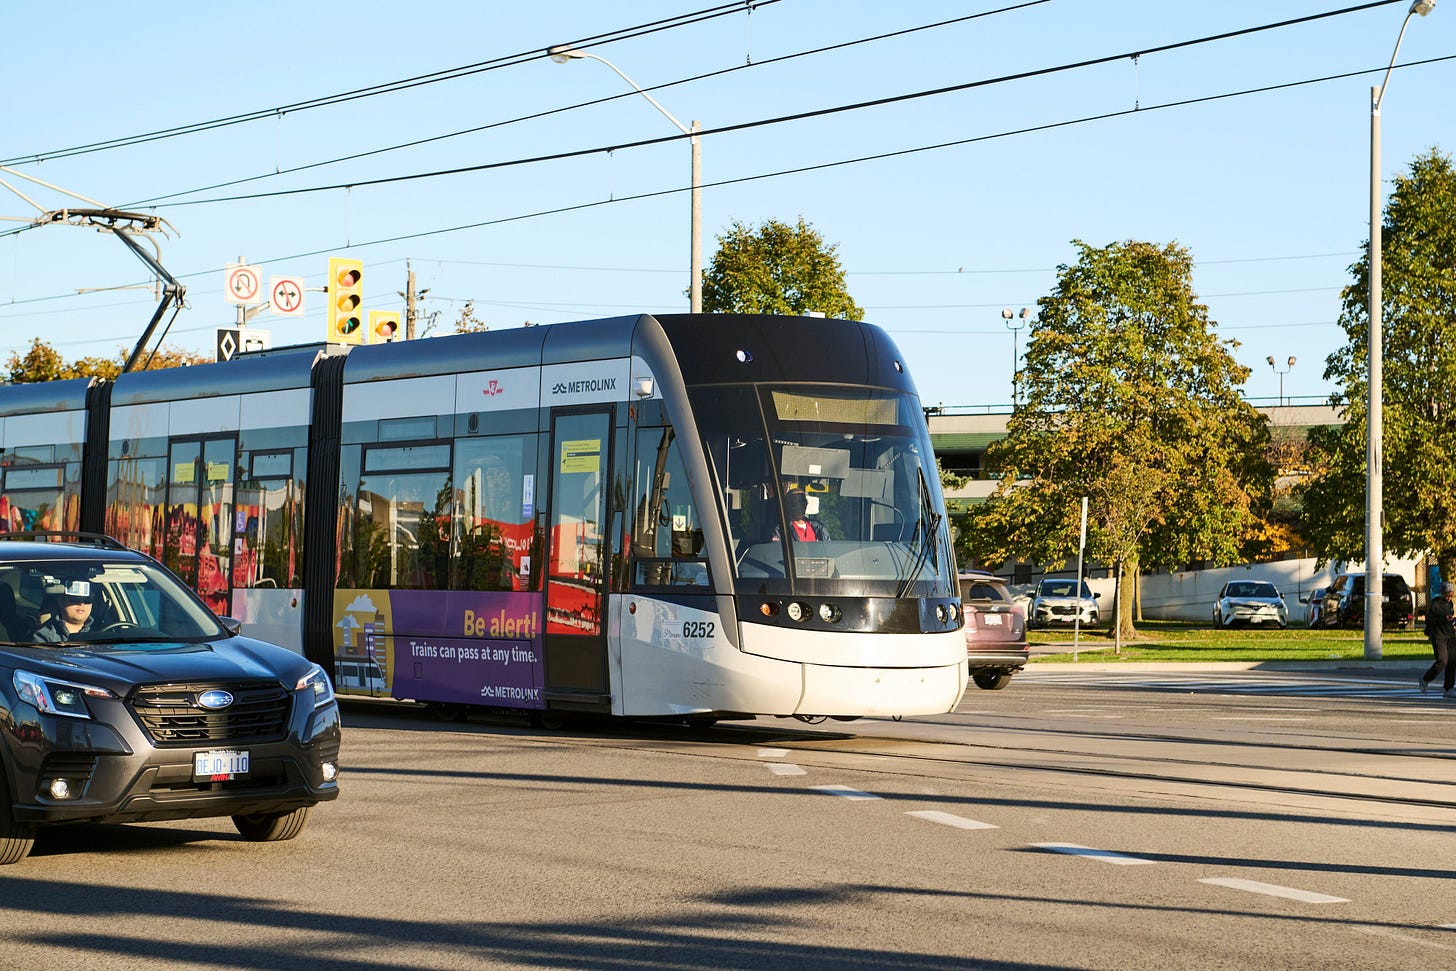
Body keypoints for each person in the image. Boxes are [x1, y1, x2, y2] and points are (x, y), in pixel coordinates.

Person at [1419, 582, 1456, 697]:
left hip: (1450, 635)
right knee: (1442, 661)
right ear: (1442, 593)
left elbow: (1450, 619)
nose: (1449, 597)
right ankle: (1425, 679)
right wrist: (1444, 619)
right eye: (1447, 595)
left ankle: (1448, 688)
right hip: (1438, 636)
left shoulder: (1450, 604)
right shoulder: (1435, 604)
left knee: (1452, 661)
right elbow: (1430, 621)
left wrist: (1453, 620)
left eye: (1451, 595)